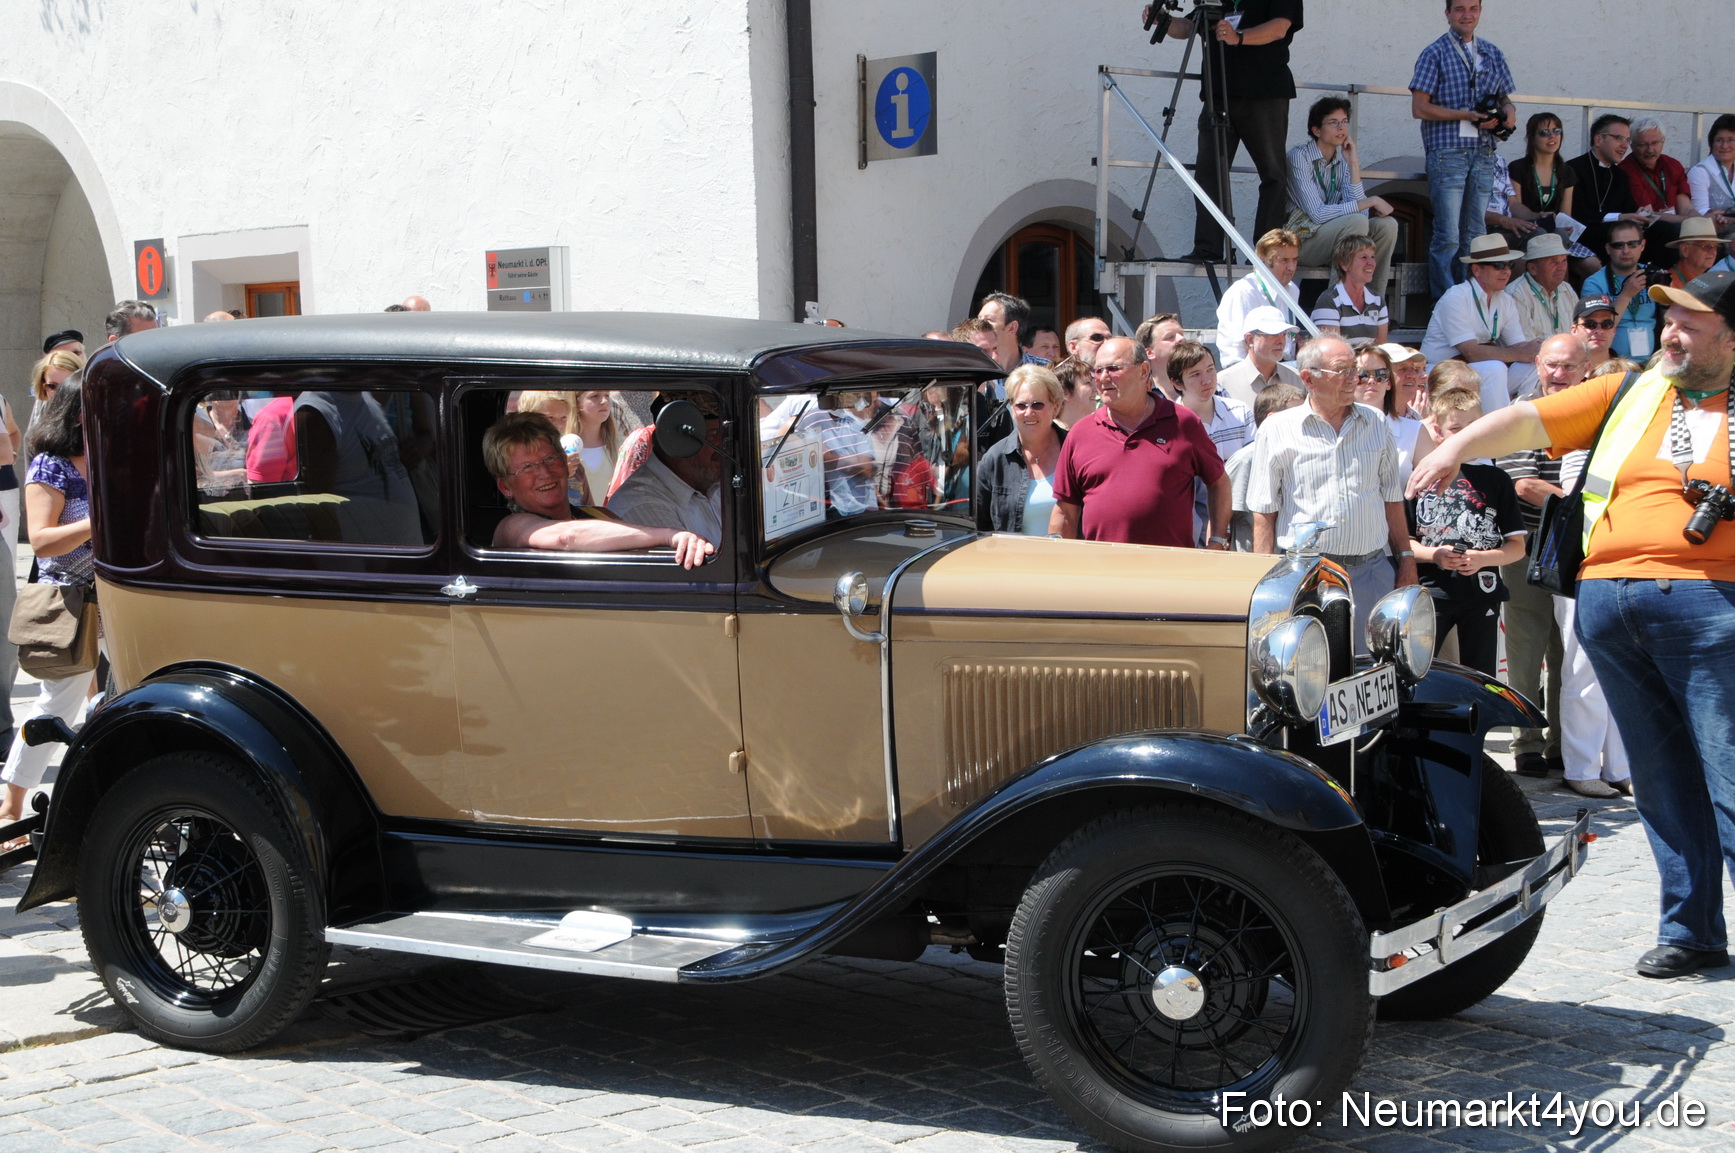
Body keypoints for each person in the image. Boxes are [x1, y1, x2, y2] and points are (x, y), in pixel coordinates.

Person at [1407, 268, 1735, 979]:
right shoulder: (1631, 390)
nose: (1671, 335)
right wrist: (1452, 447)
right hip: (1610, 602)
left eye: (1690, 325)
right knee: (1658, 779)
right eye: (1669, 322)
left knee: (1728, 777)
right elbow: (1529, 418)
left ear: (1730, 338)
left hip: (1712, 606)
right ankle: (1691, 927)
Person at [1249, 336, 1417, 650]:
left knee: (1372, 673)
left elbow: (1392, 498)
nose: (1356, 379)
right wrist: (1266, 583)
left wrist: (1406, 560)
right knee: (1310, 676)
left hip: (1371, 574)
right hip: (1305, 577)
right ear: (1309, 378)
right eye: (1344, 371)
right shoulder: (1277, 429)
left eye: (1356, 370)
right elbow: (1264, 512)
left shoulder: (1376, 422)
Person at [0, 375, 98, 828]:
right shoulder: (50, 466)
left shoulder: (109, 458)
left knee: (132, 695)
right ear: (79, 412)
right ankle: (11, 806)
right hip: (73, 603)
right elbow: (40, 542)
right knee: (57, 704)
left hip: (122, 597)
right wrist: (101, 521)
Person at [1492, 333, 1589, 779]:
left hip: (1578, 553)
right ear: (1537, 363)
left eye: (1568, 366)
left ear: (1585, 367)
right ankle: (1525, 741)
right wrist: (1578, 506)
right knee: (1527, 649)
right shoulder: (1522, 416)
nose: (1558, 374)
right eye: (1551, 365)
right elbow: (1523, 485)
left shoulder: (1597, 415)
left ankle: (1560, 744)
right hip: (1528, 546)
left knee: (1568, 651)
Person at [1152, 0, 1304, 263]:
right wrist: (1162, 20)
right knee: (1209, 173)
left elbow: (1280, 27)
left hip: (1263, 93)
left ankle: (1266, 253)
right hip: (1218, 95)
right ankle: (1208, 249)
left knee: (1273, 174)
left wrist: (1239, 37)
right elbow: (1190, 25)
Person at [1050, 336, 1229, 549]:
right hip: (1102, 572)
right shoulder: (1080, 433)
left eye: (1114, 368)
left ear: (1143, 371)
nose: (1103, 377)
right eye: (1098, 370)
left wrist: (1217, 540)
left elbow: (1219, 482)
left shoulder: (1183, 422)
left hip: (1170, 572)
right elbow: (1065, 510)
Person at [486, 411, 711, 566]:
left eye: (550, 459)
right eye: (527, 468)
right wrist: (671, 535)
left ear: (565, 463)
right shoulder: (511, 527)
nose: (544, 473)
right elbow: (565, 538)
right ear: (506, 487)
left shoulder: (600, 516)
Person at [1406, 386, 1526, 676]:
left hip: (1482, 593)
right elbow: (1405, 542)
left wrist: (1483, 558)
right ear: (1437, 429)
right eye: (1455, 428)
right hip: (1432, 592)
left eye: (1473, 427)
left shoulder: (1497, 479)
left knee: (1481, 674)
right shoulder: (1422, 474)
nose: (1464, 436)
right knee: (1423, 672)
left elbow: (1517, 547)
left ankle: (1479, 721)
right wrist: (1435, 555)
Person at [1409, 0, 1517, 297]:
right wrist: (1466, 114)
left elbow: (1505, 98)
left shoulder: (1492, 52)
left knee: (1476, 234)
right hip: (1448, 151)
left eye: (1472, 8)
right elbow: (1419, 107)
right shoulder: (1435, 53)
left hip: (1484, 152)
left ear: (1480, 11)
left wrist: (1508, 112)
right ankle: (1445, 303)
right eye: (1459, 8)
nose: (1466, 15)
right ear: (1447, 14)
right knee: (1448, 236)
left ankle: (1473, 299)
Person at [1550, 439, 1632, 799]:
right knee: (1583, 671)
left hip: (1632, 566)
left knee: (1629, 673)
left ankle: (1622, 769)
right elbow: (1580, 495)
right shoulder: (1585, 446)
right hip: (1586, 567)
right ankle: (1581, 768)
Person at [1286, 96, 1399, 295]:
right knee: (1354, 222)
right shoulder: (1299, 157)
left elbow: (1362, 219)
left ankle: (1372, 304)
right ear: (1316, 130)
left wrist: (1353, 164)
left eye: (1345, 122)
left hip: (1339, 237)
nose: (1341, 128)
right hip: (1303, 238)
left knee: (1387, 226)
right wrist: (1370, 201)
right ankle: (1337, 306)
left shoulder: (1343, 161)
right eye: (1333, 122)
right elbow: (1318, 215)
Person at [1420, 234, 1539, 411]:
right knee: (1495, 369)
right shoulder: (1456, 297)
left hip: (1474, 372)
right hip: (1440, 372)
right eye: (1499, 265)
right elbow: (1471, 352)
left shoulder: (1505, 300)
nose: (1506, 271)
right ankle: (1499, 433)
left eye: (1509, 265)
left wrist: (1537, 350)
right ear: (1476, 270)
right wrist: (1522, 353)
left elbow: (1519, 346)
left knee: (1534, 366)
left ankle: (1523, 423)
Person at [1168, 340, 1254, 546]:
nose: (1207, 380)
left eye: (1210, 370)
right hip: (1191, 525)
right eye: (1195, 374)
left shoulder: (1240, 412)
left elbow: (1253, 465)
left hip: (1240, 519)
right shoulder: (1168, 424)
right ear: (1177, 383)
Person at [1506, 111, 1601, 281]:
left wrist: (1567, 227)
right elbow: (1515, 210)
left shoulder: (1567, 171)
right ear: (1531, 138)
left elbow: (1565, 215)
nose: (1552, 136)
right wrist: (1537, 217)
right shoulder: (1517, 168)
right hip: (1527, 231)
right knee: (1552, 249)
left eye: (1557, 131)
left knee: (1593, 265)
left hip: (1555, 232)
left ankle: (1571, 303)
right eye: (1544, 132)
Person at [1571, 114, 1677, 265]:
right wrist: (1620, 218)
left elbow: (1628, 210)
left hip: (1618, 232)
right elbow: (1577, 214)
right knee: (1618, 235)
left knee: (1664, 229)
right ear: (1598, 139)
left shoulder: (1620, 175)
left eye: (1627, 140)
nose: (1625, 146)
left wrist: (1641, 215)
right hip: (1587, 233)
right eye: (1619, 138)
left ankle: (1656, 280)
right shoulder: (1573, 169)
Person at [977, 365, 1066, 535]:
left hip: (1071, 558)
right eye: (1021, 405)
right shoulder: (995, 459)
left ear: (1055, 407)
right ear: (1011, 408)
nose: (1028, 412)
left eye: (1037, 405)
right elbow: (980, 527)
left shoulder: (1075, 450)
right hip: (1012, 559)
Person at [1225, 382, 1305, 551]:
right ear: (1273, 419)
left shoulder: (1301, 453)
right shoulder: (1244, 460)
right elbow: (1222, 517)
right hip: (1252, 558)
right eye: (1297, 416)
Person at [1215, 229, 1301, 367]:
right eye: (1284, 260)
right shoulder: (1244, 291)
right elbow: (1234, 349)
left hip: (1284, 368)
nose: (1291, 267)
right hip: (1250, 372)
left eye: (1295, 260)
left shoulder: (1292, 290)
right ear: (1263, 260)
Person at [1582, 220, 1660, 362]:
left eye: (1632, 244)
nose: (1626, 250)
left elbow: (1669, 321)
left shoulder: (1653, 275)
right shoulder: (1594, 283)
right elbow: (1596, 330)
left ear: (1642, 245)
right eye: (1618, 245)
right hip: (1611, 364)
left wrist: (1668, 299)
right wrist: (1626, 295)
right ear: (1608, 248)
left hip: (1652, 363)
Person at [1353, 340, 1424, 484]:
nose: (1372, 380)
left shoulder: (1415, 428)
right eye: (1363, 374)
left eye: (1380, 374)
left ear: (1388, 382)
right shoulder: (1333, 427)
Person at [1309, 234, 1389, 345]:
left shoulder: (1378, 300)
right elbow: (1333, 353)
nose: (1371, 263)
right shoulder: (1328, 301)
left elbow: (1381, 347)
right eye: (1364, 257)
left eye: (1372, 257)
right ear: (1344, 264)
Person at [1507, 233, 1578, 358]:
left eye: (1564, 261)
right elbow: (1527, 347)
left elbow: (1580, 334)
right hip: (1536, 363)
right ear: (1533, 268)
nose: (1561, 268)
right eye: (1553, 262)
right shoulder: (1516, 294)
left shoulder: (1567, 289)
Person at [1218, 306, 1301, 409]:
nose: (1281, 341)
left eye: (1284, 334)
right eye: (1272, 334)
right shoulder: (1224, 382)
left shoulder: (1297, 378)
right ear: (1250, 339)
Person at [562, 390, 633, 508]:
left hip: (613, 522)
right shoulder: (563, 447)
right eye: (594, 396)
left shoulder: (622, 446)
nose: (604, 401)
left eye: (607, 395)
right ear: (577, 403)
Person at [1622, 118, 1694, 223]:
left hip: (1677, 224)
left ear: (1663, 141)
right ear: (1632, 145)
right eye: (1643, 144)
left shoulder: (1673, 165)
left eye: (1655, 143)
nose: (1650, 150)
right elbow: (1648, 215)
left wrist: (1705, 220)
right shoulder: (1627, 170)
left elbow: (1686, 209)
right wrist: (1689, 221)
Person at [1687, 114, 1735, 238]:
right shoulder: (1700, 172)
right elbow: (1701, 215)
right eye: (1719, 140)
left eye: (1731, 140)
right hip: (1714, 238)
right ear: (1711, 143)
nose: (1724, 146)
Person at [977, 292, 1047, 376]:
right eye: (979, 319)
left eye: (988, 320)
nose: (979, 325)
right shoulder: (972, 367)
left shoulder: (1045, 370)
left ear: (1012, 328)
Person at [1658, 218, 1726, 292]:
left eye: (1716, 246)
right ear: (1685, 250)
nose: (1713, 252)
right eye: (1706, 246)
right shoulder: (1669, 284)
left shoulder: (1711, 281)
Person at [1135, 313, 1186, 391]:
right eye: (1170, 337)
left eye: (1181, 334)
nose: (1181, 338)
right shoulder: (1140, 396)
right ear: (1150, 353)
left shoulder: (1202, 387)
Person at [1572, 295, 1619, 375]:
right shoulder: (1563, 372)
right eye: (1590, 324)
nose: (1599, 330)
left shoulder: (1626, 374)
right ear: (1574, 330)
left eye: (1606, 324)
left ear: (1614, 330)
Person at [1380, 344, 1430, 418]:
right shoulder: (1367, 420)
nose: (1412, 375)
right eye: (1403, 368)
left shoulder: (1418, 418)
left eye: (1413, 368)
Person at [1051, 357, 1098, 429]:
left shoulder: (1093, 428)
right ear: (1065, 392)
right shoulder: (1050, 433)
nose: (1096, 389)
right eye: (1088, 383)